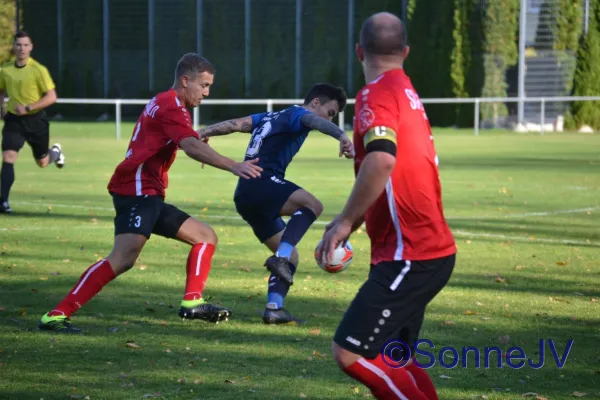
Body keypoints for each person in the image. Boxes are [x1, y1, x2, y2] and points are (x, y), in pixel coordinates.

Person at [38, 53, 263, 334]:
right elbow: (190, 146)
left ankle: (192, 302)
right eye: (203, 85)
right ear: (185, 80)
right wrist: (234, 165)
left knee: (205, 236)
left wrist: (196, 139)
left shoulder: (169, 104)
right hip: (136, 190)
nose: (206, 93)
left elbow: (181, 139)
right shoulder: (171, 106)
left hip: (149, 193)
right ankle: (56, 315)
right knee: (122, 258)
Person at [318, 13, 457, 400]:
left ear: (359, 50)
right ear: (406, 52)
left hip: (410, 253)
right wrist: (352, 220)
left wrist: (346, 220)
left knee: (349, 351)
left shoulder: (376, 92)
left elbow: (382, 160)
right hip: (424, 250)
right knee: (394, 358)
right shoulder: (405, 88)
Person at [196, 83, 354, 324]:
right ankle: (279, 258)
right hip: (263, 182)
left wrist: (205, 132)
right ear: (315, 103)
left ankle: (274, 308)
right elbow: (315, 122)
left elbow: (235, 124)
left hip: (245, 194)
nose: (328, 118)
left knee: (292, 258)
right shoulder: (299, 114)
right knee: (313, 206)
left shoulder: (270, 116)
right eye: (330, 112)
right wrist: (342, 135)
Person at [0, 31, 65, 214]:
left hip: (36, 121)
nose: (22, 48)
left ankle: (56, 152)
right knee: (8, 157)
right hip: (14, 121)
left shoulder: (38, 70)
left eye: (25, 45)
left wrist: (28, 108)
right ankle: (3, 202)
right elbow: (1, 90)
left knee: (42, 162)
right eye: (18, 45)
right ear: (14, 46)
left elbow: (52, 97)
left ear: (31, 47)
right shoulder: (5, 70)